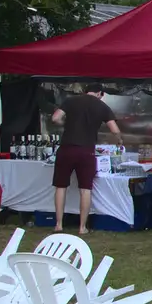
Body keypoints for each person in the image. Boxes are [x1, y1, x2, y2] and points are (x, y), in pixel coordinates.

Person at [49, 83, 120, 235]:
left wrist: (64, 123)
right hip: (87, 151)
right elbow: (114, 130)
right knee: (85, 189)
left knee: (61, 187)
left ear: (85, 91)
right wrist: (118, 141)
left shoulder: (70, 101)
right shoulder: (102, 106)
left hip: (66, 148)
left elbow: (55, 118)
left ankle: (59, 224)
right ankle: (82, 227)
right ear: (100, 93)